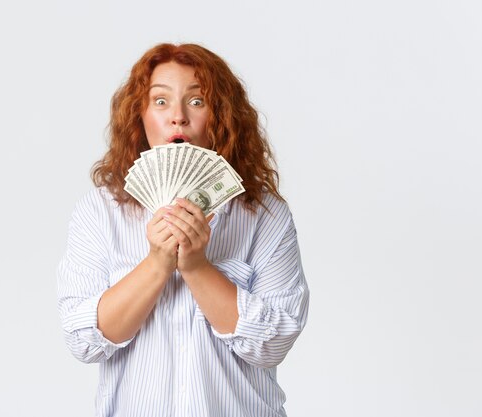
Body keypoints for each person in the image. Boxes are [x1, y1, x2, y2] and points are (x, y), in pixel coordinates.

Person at [57, 43, 309, 417]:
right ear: (139, 117)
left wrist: (196, 267)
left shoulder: (265, 216)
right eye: (160, 102)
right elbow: (84, 342)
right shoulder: (100, 211)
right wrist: (158, 264)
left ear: (220, 116)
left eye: (196, 101)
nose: (177, 117)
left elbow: (273, 344)